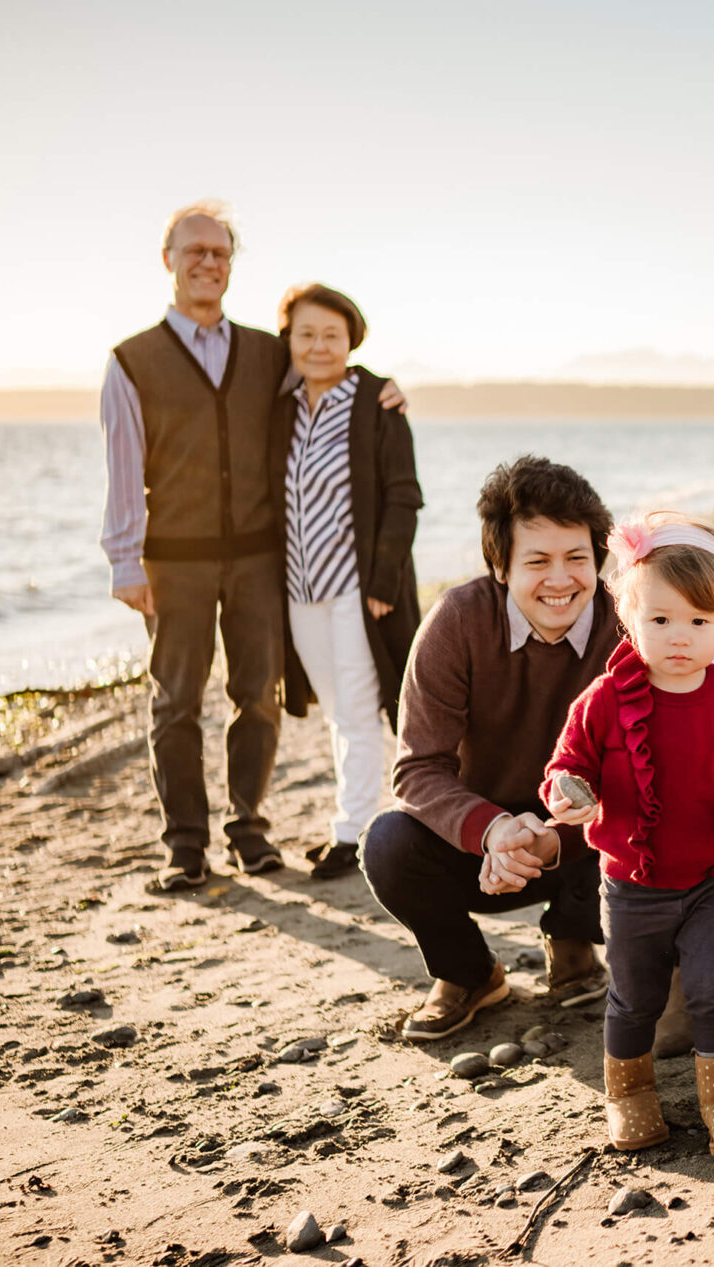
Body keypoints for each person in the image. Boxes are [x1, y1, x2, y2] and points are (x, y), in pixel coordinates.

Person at [99, 199, 404, 890]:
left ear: (231, 265)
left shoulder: (271, 352)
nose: (208, 262)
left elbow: (337, 380)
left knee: (257, 695)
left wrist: (386, 389)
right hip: (171, 558)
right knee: (175, 700)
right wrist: (124, 559)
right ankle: (184, 843)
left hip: (261, 556)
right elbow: (123, 468)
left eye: (220, 252)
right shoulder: (131, 361)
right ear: (168, 261)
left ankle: (249, 830)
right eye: (194, 251)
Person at [531, 514, 714, 1156]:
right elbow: (567, 764)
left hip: (711, 881)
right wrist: (569, 791)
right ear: (631, 619)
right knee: (634, 996)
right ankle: (630, 1096)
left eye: (700, 622)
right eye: (661, 620)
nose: (680, 637)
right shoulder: (603, 700)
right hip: (630, 884)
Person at [358, 457, 619, 1040]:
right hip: (479, 850)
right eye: (538, 561)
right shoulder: (457, 621)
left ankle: (574, 938)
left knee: (653, 808)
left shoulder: (624, 627)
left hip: (583, 841)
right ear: (501, 566)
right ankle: (470, 974)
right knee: (388, 843)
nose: (561, 579)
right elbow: (418, 769)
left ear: (598, 559)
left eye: (577, 558)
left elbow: (650, 765)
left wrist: (555, 837)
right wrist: (495, 830)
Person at [270, 283, 423, 880]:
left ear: (350, 339)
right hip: (300, 589)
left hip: (358, 591)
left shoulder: (375, 403)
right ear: (289, 340)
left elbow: (403, 496)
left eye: (331, 335)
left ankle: (354, 832)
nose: (318, 346)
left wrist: (384, 581)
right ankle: (355, 819)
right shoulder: (282, 407)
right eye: (306, 334)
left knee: (360, 708)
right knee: (337, 711)